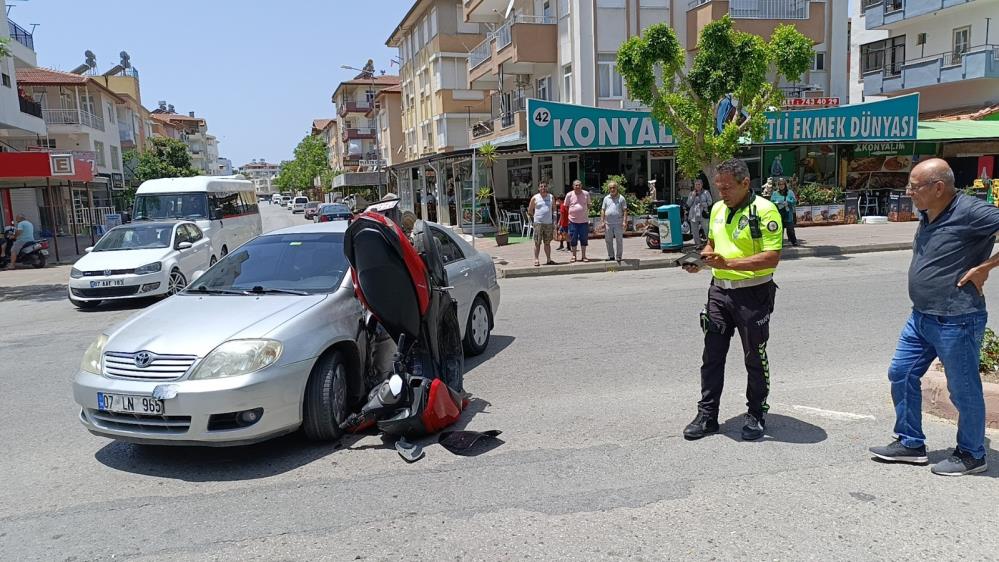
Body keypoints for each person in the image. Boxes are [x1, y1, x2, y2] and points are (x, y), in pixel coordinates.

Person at [869, 158, 998, 476]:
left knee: (963, 388)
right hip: (921, 317)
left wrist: (985, 267)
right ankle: (910, 443)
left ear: (939, 188)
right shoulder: (927, 211)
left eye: (914, 186)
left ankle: (972, 453)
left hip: (957, 319)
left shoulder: (971, 211)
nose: (908, 191)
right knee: (901, 372)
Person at [681, 158, 784, 442]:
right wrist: (701, 260)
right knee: (711, 355)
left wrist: (727, 263)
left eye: (727, 188)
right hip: (719, 291)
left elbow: (772, 257)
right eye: (718, 187)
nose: (721, 193)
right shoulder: (717, 208)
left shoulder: (765, 210)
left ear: (745, 183)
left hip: (753, 293)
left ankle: (756, 413)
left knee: (754, 356)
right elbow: (712, 243)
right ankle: (707, 415)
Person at [527, 181, 556, 267]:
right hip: (538, 223)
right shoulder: (535, 198)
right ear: (538, 188)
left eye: (544, 186)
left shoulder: (551, 197)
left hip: (548, 223)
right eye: (541, 186)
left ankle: (549, 259)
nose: (543, 188)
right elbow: (530, 210)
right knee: (537, 242)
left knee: (547, 242)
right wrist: (535, 220)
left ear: (547, 188)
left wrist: (554, 221)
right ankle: (536, 260)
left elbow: (554, 209)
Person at [601, 181, 628, 262]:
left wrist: (624, 221)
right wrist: (602, 221)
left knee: (619, 240)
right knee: (608, 240)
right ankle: (611, 256)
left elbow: (625, 210)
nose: (612, 189)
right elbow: (603, 209)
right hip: (608, 223)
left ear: (617, 188)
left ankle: (619, 256)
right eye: (610, 188)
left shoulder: (621, 198)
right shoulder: (606, 198)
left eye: (614, 187)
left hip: (618, 223)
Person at [564, 180, 591, 263]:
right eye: (576, 185)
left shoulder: (586, 194)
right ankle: (574, 256)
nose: (577, 187)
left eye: (579, 185)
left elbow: (589, 205)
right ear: (573, 186)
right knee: (573, 239)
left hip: (584, 221)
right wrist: (573, 212)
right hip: (573, 221)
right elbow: (566, 206)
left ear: (581, 186)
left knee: (584, 239)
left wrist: (583, 211)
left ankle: (583, 256)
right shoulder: (569, 194)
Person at [770, 177, 799, 246]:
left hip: (788, 213)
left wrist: (788, 202)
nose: (781, 185)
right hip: (779, 213)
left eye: (782, 184)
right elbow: (772, 202)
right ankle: (780, 242)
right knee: (780, 230)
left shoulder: (790, 192)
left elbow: (794, 201)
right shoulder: (775, 193)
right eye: (779, 184)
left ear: (785, 184)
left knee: (790, 229)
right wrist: (777, 203)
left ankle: (793, 241)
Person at [686, 179, 713, 250]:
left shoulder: (706, 192)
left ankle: (710, 244)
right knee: (695, 231)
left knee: (706, 230)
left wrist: (703, 204)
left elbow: (710, 202)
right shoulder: (691, 193)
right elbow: (688, 204)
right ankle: (698, 245)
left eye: (699, 184)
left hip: (703, 213)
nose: (697, 186)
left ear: (701, 185)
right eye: (696, 184)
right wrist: (693, 196)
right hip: (693, 215)